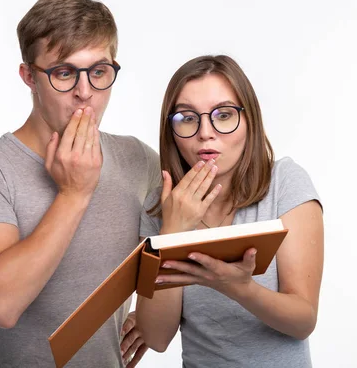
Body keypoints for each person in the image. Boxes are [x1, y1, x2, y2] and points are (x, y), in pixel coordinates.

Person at [0, 0, 160, 367]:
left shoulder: (139, 160)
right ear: (29, 76)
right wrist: (74, 192)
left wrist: (148, 316)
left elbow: (174, 255)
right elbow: (2, 305)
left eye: (99, 72)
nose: (85, 93)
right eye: (64, 73)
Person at [136, 55, 324, 367]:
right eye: (187, 118)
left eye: (223, 115)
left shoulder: (285, 184)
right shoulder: (161, 205)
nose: (205, 133)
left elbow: (303, 320)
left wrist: (240, 288)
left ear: (249, 119)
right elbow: (156, 337)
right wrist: (173, 233)